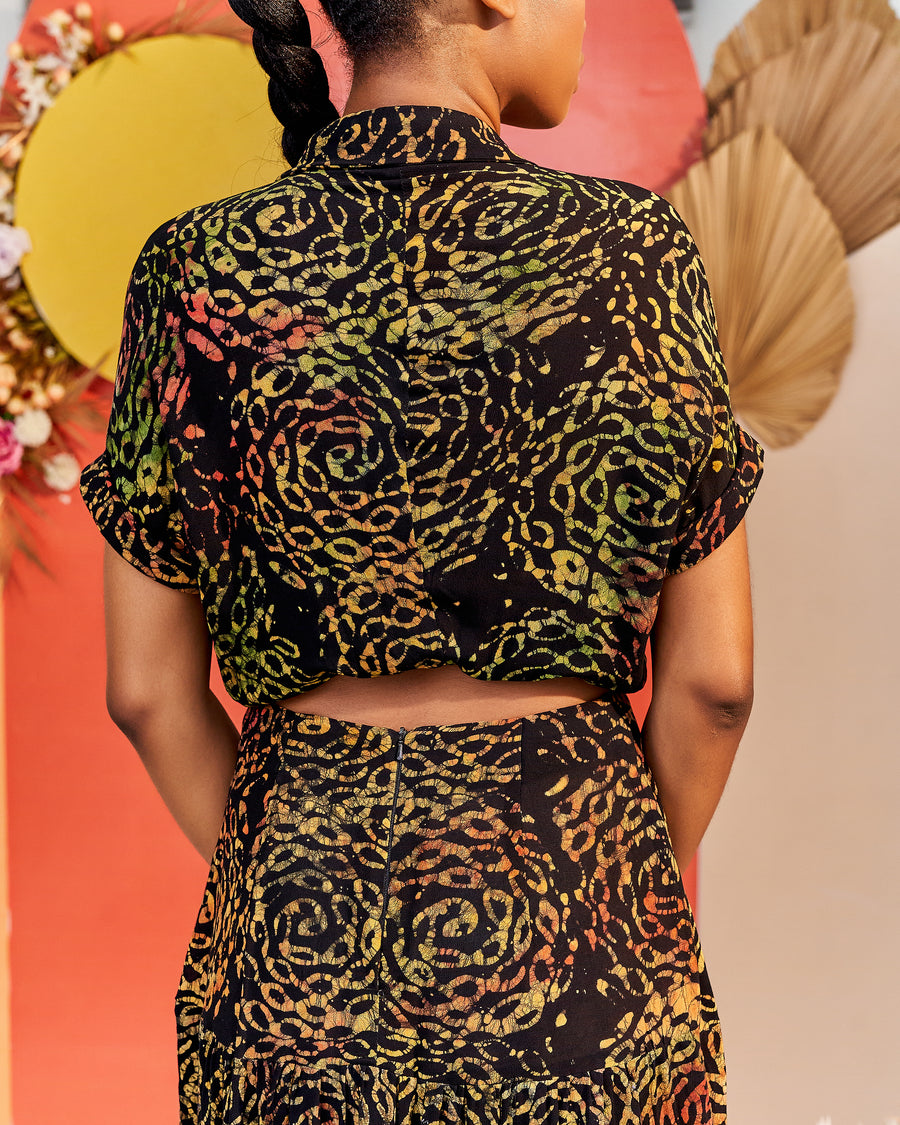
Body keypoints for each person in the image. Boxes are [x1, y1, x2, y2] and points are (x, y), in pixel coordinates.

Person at [78, 0, 765, 1120]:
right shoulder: (634, 252)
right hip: (580, 929)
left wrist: (279, 867)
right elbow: (714, 686)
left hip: (293, 952)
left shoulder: (193, 268)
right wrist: (620, 878)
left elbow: (147, 693)